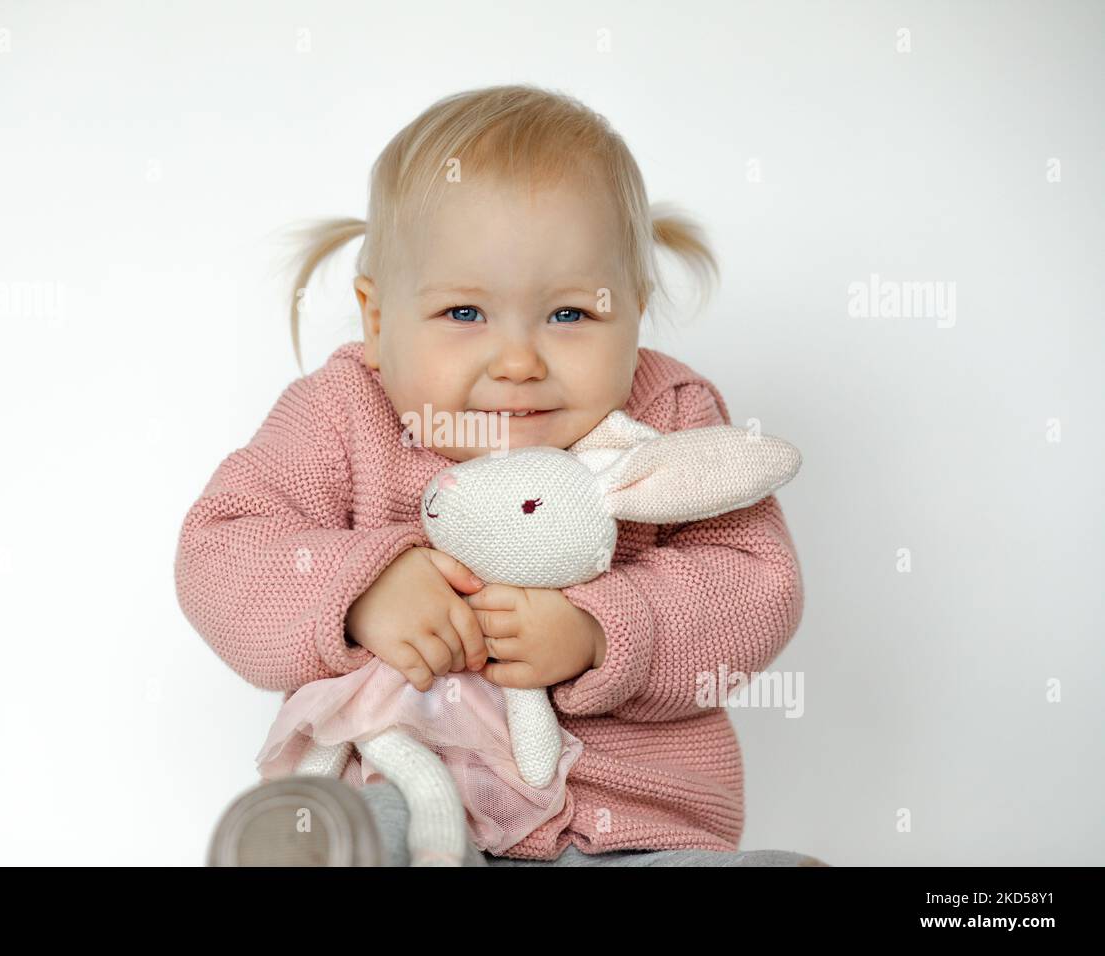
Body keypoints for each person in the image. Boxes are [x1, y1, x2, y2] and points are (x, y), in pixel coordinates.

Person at [176, 83, 827, 867]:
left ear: (634, 310)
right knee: (360, 832)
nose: (519, 362)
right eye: (464, 315)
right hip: (418, 805)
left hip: (631, 832)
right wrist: (359, 592)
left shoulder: (668, 414)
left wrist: (600, 630)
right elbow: (219, 549)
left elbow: (756, 582)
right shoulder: (343, 413)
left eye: (570, 316)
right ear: (378, 321)